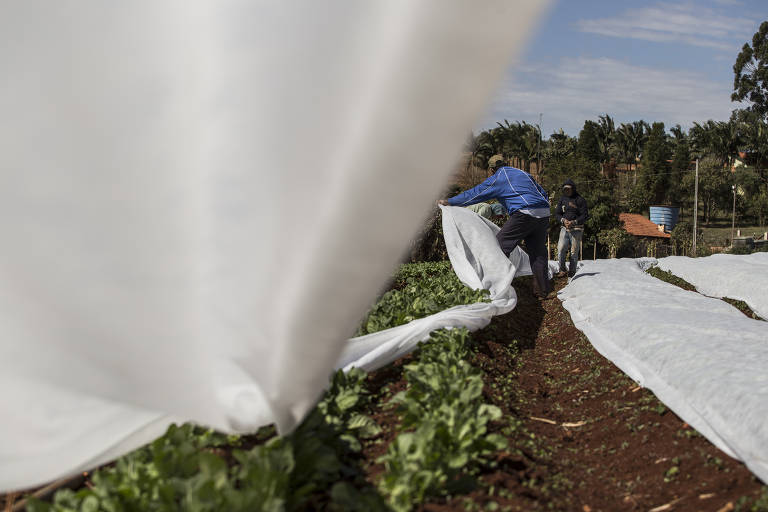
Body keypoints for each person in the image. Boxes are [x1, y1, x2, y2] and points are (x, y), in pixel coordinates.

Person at [438, 161, 553, 299]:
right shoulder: (523, 174)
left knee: (497, 248)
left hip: (525, 212)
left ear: (492, 169)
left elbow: (477, 193)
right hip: (544, 213)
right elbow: (542, 192)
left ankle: (492, 288)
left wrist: (451, 201)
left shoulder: (500, 176)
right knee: (538, 252)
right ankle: (542, 292)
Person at [555, 179, 588, 278]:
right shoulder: (562, 199)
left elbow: (585, 215)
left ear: (573, 189)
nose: (567, 191)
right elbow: (557, 213)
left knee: (574, 251)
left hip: (576, 229)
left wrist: (574, 222)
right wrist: (563, 220)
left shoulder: (580, 200)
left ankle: (572, 272)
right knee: (560, 248)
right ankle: (562, 270)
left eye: (569, 189)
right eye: (565, 189)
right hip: (564, 228)